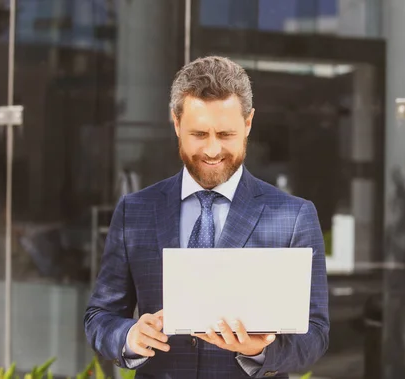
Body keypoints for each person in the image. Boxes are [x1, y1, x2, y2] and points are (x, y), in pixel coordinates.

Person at [84, 56, 329, 379]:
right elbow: (100, 316)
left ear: (249, 124)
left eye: (225, 134)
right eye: (199, 134)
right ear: (176, 123)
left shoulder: (294, 216)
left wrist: (258, 350)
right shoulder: (135, 211)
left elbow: (315, 335)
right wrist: (130, 336)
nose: (213, 150)